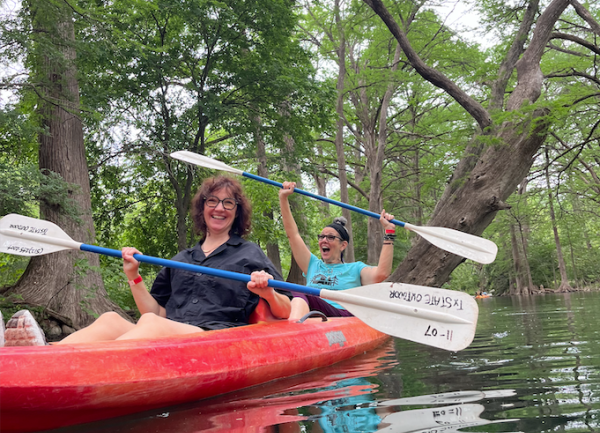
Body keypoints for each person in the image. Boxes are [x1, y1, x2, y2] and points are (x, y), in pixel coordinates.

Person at [3, 176, 291, 346]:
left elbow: (286, 309)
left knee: (152, 325)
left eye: (228, 203)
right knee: (111, 320)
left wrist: (268, 292)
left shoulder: (250, 253)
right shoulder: (181, 260)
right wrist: (133, 274)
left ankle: (79, 365)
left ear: (237, 212)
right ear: (202, 208)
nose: (219, 208)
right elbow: (155, 311)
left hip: (213, 337)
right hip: (169, 332)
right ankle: (43, 356)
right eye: (212, 201)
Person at [279, 181, 396, 321]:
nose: (324, 240)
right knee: (287, 292)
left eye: (330, 237)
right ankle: (292, 329)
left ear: (343, 245)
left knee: (302, 292)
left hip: (342, 316)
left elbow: (382, 273)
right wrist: (283, 198)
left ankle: (293, 332)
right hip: (312, 312)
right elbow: (293, 235)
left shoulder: (355, 268)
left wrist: (389, 231)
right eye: (321, 236)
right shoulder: (312, 265)